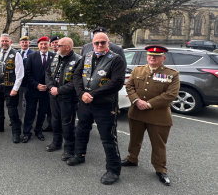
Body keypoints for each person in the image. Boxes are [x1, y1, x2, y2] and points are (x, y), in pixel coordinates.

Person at [68, 32, 127, 185]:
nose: (99, 45)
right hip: (85, 103)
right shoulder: (87, 56)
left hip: (105, 104)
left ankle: (113, 170)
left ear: (108, 43)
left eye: (103, 42)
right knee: (81, 130)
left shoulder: (116, 59)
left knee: (108, 138)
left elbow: (117, 82)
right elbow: (76, 75)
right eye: (96, 43)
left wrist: (92, 94)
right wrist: (81, 93)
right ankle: (79, 155)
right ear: (92, 43)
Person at [122, 45, 180, 186]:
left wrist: (149, 104)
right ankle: (132, 159)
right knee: (134, 139)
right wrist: (136, 100)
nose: (152, 58)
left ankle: (160, 169)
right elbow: (129, 86)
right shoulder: (138, 70)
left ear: (163, 58)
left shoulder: (172, 74)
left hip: (158, 115)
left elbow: (171, 94)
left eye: (156, 56)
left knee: (158, 144)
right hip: (137, 112)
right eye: (150, 56)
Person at [46, 38, 82, 158]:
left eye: (59, 45)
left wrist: (59, 90)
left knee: (67, 123)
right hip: (54, 95)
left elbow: (76, 82)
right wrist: (51, 87)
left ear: (68, 47)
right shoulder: (56, 57)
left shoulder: (78, 60)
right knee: (55, 121)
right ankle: (56, 143)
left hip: (68, 98)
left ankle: (69, 149)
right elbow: (48, 73)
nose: (56, 47)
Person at [0, 34, 24, 137]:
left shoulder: (16, 54)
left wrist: (15, 89)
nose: (4, 43)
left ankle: (16, 133)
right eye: (2, 41)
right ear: (0, 41)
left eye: (6, 41)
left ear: (10, 42)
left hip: (10, 87)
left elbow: (20, 74)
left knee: (12, 110)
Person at [22, 36, 54, 142]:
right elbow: (27, 73)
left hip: (46, 90)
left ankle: (38, 131)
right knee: (30, 112)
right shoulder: (31, 56)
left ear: (49, 45)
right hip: (33, 89)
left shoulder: (54, 56)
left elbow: (55, 74)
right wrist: (36, 85)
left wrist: (48, 86)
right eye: (41, 44)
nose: (43, 46)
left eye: (45, 44)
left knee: (42, 112)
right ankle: (26, 133)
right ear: (38, 45)